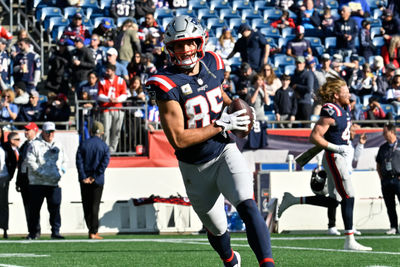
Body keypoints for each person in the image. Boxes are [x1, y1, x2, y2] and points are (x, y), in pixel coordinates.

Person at [146, 15, 274, 266]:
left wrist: (239, 110)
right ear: (169, 48)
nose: (185, 50)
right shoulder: (164, 83)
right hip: (194, 165)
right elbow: (179, 139)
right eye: (178, 45)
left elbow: (218, 93)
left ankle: (267, 264)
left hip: (224, 151)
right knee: (216, 229)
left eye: (190, 43)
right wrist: (220, 124)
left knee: (248, 206)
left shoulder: (214, 63)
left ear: (200, 42)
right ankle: (230, 260)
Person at [307, 78, 372, 250]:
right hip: (334, 156)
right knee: (347, 195)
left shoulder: (344, 108)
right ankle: (349, 240)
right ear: (336, 95)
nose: (349, 93)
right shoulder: (331, 110)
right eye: (345, 90)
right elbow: (314, 136)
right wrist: (336, 148)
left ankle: (349, 238)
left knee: (344, 196)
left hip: (341, 156)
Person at [279, 125, 366, 236]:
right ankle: (342, 227)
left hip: (343, 171)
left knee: (334, 200)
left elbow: (355, 158)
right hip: (336, 167)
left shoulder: (349, 144)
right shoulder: (339, 140)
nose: (353, 132)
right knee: (347, 196)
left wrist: (361, 145)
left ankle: (294, 200)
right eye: (352, 130)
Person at [26, 121, 67, 240]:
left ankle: (55, 231)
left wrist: (60, 173)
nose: (50, 134)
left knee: (55, 208)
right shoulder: (34, 145)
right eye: (48, 132)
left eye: (52, 132)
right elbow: (30, 161)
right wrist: (41, 173)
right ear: (42, 132)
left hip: (54, 182)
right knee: (34, 209)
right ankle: (33, 232)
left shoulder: (59, 144)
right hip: (37, 182)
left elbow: (65, 161)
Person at [76, 121, 110, 239]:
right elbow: (104, 164)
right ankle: (93, 231)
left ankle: (90, 228)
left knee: (86, 205)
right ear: (102, 132)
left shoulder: (84, 144)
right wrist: (94, 176)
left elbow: (79, 162)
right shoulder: (104, 146)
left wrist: (84, 176)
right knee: (95, 206)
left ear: (90, 131)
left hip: (84, 179)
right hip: (97, 180)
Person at [16, 122, 40, 239]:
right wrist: (18, 180)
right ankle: (31, 230)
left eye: (28, 130)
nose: (26, 132)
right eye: (25, 130)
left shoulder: (39, 144)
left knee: (34, 206)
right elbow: (20, 164)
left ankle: (35, 230)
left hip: (34, 179)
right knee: (27, 206)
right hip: (25, 178)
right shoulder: (24, 145)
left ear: (35, 131)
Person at [97, 63, 128, 153]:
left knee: (116, 131)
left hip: (118, 109)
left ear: (113, 71)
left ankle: (113, 150)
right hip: (106, 109)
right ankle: (105, 149)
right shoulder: (102, 81)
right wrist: (108, 99)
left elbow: (124, 94)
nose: (106, 72)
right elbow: (99, 95)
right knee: (106, 130)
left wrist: (116, 100)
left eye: (108, 70)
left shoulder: (121, 81)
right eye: (106, 70)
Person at [376, 123, 400, 235]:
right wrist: (382, 178)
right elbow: (378, 164)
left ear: (392, 132)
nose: (383, 135)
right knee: (390, 205)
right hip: (386, 181)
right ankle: (393, 226)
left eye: (385, 132)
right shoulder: (383, 147)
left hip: (398, 179)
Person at [0, 129, 9, 239]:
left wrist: (9, 176)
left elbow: (11, 161)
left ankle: (4, 228)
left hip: (3, 178)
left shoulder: (5, 147)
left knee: (3, 204)